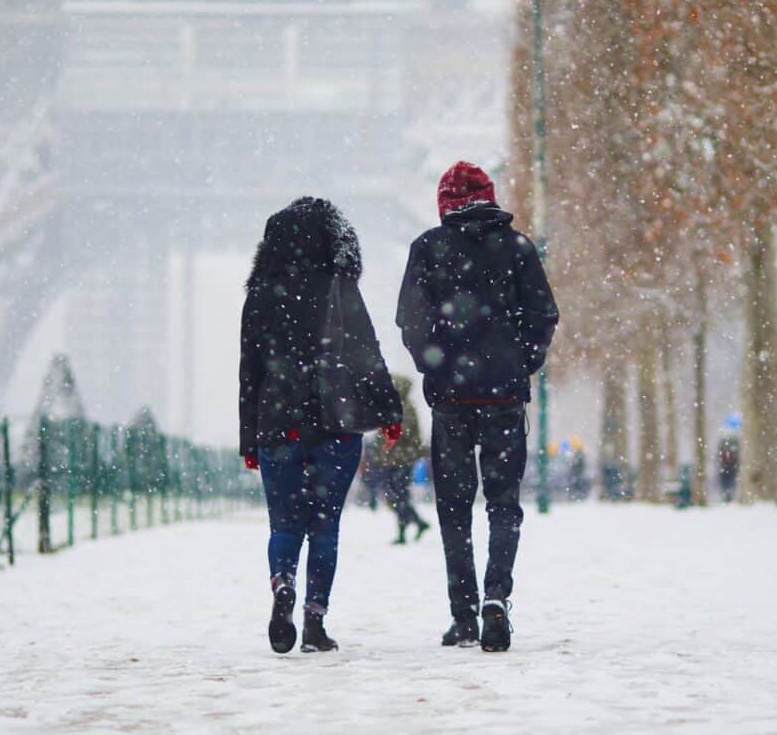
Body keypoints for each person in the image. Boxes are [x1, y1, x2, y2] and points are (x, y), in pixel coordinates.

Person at [396, 161, 558, 653]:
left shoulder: (427, 248)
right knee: (504, 503)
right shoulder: (518, 247)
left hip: (452, 400)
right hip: (504, 395)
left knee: (453, 508)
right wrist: (517, 363)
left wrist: (436, 367)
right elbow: (543, 316)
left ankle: (463, 613)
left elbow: (411, 322)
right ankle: (497, 594)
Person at [238, 197, 403, 654]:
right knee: (325, 526)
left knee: (284, 526)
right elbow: (367, 354)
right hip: (335, 420)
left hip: (278, 425)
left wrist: (248, 438)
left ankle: (283, 582)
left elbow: (249, 372)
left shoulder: (260, 294)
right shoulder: (338, 287)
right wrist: (389, 411)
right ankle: (314, 620)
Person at [379, 374, 431, 544]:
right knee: (396, 496)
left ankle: (407, 529)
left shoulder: (404, 407)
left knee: (398, 496)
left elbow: (402, 434)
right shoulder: (396, 407)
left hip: (402, 459)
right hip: (395, 459)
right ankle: (416, 523)